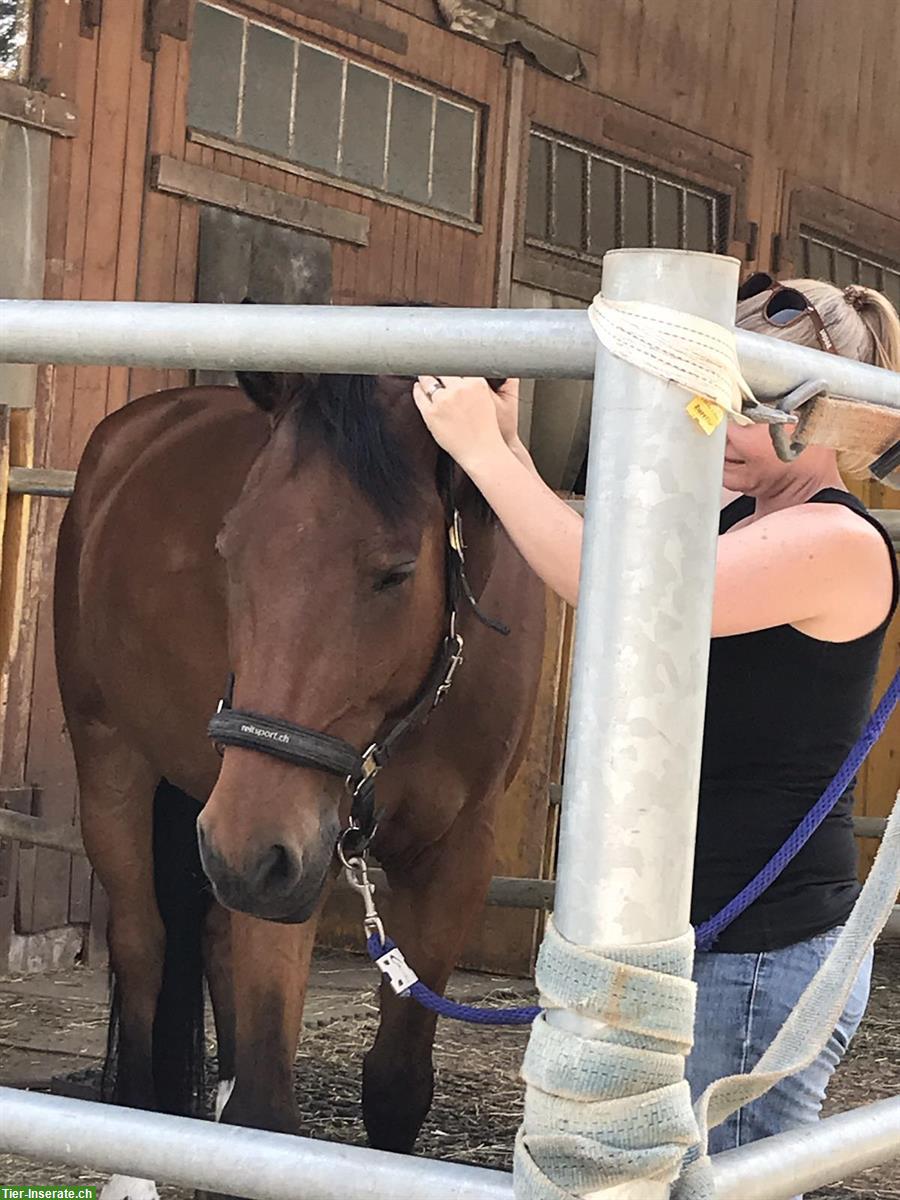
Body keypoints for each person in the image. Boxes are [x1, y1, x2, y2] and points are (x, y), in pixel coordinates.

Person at [411, 277, 900, 1170]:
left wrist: (481, 457)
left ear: (815, 420)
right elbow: (607, 551)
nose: (715, 424)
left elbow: (616, 590)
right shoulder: (750, 518)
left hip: (761, 956)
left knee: (713, 1183)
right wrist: (514, 448)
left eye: (743, 406)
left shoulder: (835, 542)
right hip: (711, 940)